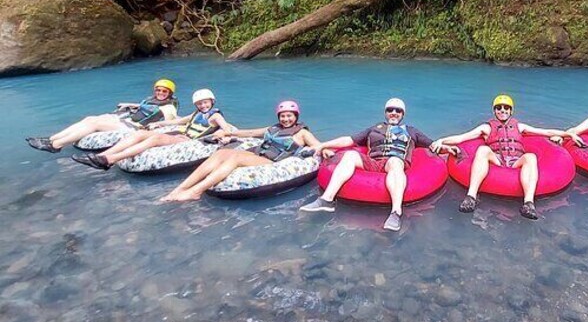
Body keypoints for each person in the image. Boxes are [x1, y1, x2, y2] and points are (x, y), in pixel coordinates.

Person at [299, 98, 457, 232]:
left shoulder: (412, 131)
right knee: (350, 155)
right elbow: (349, 140)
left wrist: (448, 148)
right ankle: (327, 200)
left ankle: (396, 212)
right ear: (385, 113)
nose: (393, 113)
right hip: (373, 161)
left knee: (395, 161)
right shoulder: (374, 128)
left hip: (395, 162)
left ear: (402, 114)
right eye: (390, 110)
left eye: (398, 111)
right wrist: (321, 145)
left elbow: (432, 145)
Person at [430, 94, 570, 219]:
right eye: (499, 108)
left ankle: (528, 203)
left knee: (531, 157)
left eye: (506, 108)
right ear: (494, 110)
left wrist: (568, 135)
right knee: (483, 150)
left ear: (511, 111)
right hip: (497, 159)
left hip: (516, 161)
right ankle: (471, 196)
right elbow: (462, 138)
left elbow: (544, 132)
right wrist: (441, 140)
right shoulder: (487, 128)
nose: (502, 110)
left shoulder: (519, 126)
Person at [161, 100, 321, 201]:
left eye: (289, 116)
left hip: (272, 160)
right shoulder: (273, 128)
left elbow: (317, 145)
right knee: (221, 153)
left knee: (234, 159)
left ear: (296, 116)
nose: (286, 119)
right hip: (257, 153)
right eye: (283, 116)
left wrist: (325, 150)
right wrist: (228, 132)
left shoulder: (302, 133)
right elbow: (250, 133)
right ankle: (181, 188)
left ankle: (196, 191)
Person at [71, 89, 232, 170]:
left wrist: (224, 136)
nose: (203, 105)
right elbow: (181, 121)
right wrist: (160, 124)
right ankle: (102, 155)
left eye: (205, 103)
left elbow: (227, 129)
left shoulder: (215, 116)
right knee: (141, 133)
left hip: (188, 141)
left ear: (212, 101)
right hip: (180, 134)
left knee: (154, 139)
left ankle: (109, 161)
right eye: (200, 103)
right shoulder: (197, 113)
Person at [26, 79, 179, 152]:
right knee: (90, 118)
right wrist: (131, 104)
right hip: (126, 120)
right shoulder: (152, 100)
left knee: (95, 124)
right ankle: (51, 138)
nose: (160, 93)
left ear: (169, 94)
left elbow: (168, 120)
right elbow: (146, 107)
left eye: (164, 91)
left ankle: (55, 146)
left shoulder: (169, 107)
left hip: (134, 128)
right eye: (158, 90)